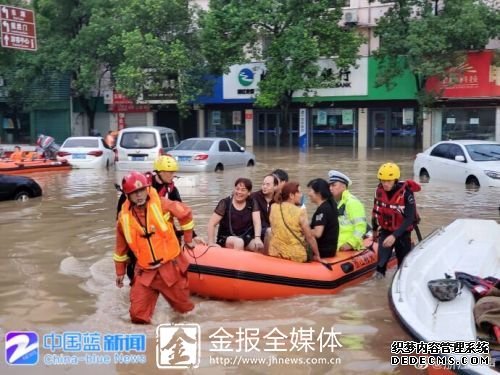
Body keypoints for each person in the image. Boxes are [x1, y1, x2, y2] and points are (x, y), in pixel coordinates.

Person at [114, 171, 195, 324]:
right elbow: (120, 247)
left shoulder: (162, 203)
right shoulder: (123, 218)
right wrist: (120, 271)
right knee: (137, 317)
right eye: (134, 193)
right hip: (145, 272)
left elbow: (186, 214)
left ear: (147, 188)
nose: (139, 195)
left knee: (185, 313)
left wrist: (189, 239)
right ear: (127, 195)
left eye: (141, 190)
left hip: (170, 269)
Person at [117, 155, 204, 282]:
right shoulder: (142, 185)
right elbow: (123, 206)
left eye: (174, 172)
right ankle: (134, 282)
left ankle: (172, 280)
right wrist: (122, 226)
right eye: (170, 172)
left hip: (162, 229)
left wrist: (192, 236)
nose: (172, 175)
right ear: (160, 172)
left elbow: (182, 213)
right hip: (139, 228)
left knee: (173, 252)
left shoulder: (172, 190)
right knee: (134, 256)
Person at [372, 162, 420, 279]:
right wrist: (374, 231)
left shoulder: (406, 194)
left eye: (389, 181)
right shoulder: (378, 191)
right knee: (380, 265)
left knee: (402, 268)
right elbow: (375, 212)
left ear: (395, 180)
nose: (385, 184)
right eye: (383, 181)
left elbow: (409, 218)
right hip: (386, 230)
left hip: (402, 232)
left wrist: (394, 236)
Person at [268, 181, 321, 263]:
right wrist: (317, 255)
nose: (301, 195)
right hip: (295, 255)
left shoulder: (273, 207)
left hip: (275, 252)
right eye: (299, 192)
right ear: (291, 195)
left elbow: (273, 229)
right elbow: (309, 237)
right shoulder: (300, 212)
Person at [207, 178, 264, 251]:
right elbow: (212, 223)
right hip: (227, 237)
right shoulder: (225, 203)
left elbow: (257, 222)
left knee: (259, 246)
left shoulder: (252, 202)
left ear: (249, 192)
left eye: (243, 190)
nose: (239, 192)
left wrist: (257, 238)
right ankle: (239, 262)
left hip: (246, 237)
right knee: (239, 242)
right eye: (237, 189)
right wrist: (210, 242)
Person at [328, 170, 367, 252]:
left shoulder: (352, 202)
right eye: (329, 185)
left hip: (349, 248)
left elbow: (361, 226)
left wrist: (350, 244)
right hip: (337, 247)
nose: (330, 188)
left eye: (333, 185)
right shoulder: (335, 203)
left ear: (343, 186)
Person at [307, 178, 339, 258]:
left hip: (322, 251)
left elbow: (317, 233)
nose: (308, 194)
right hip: (330, 250)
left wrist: (303, 230)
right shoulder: (330, 205)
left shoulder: (323, 209)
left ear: (318, 193)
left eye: (310, 191)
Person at [251, 174, 278, 251]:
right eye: (263, 184)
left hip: (274, 232)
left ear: (275, 186)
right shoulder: (254, 197)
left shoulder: (279, 199)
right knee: (269, 231)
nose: (264, 186)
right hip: (256, 231)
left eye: (268, 184)